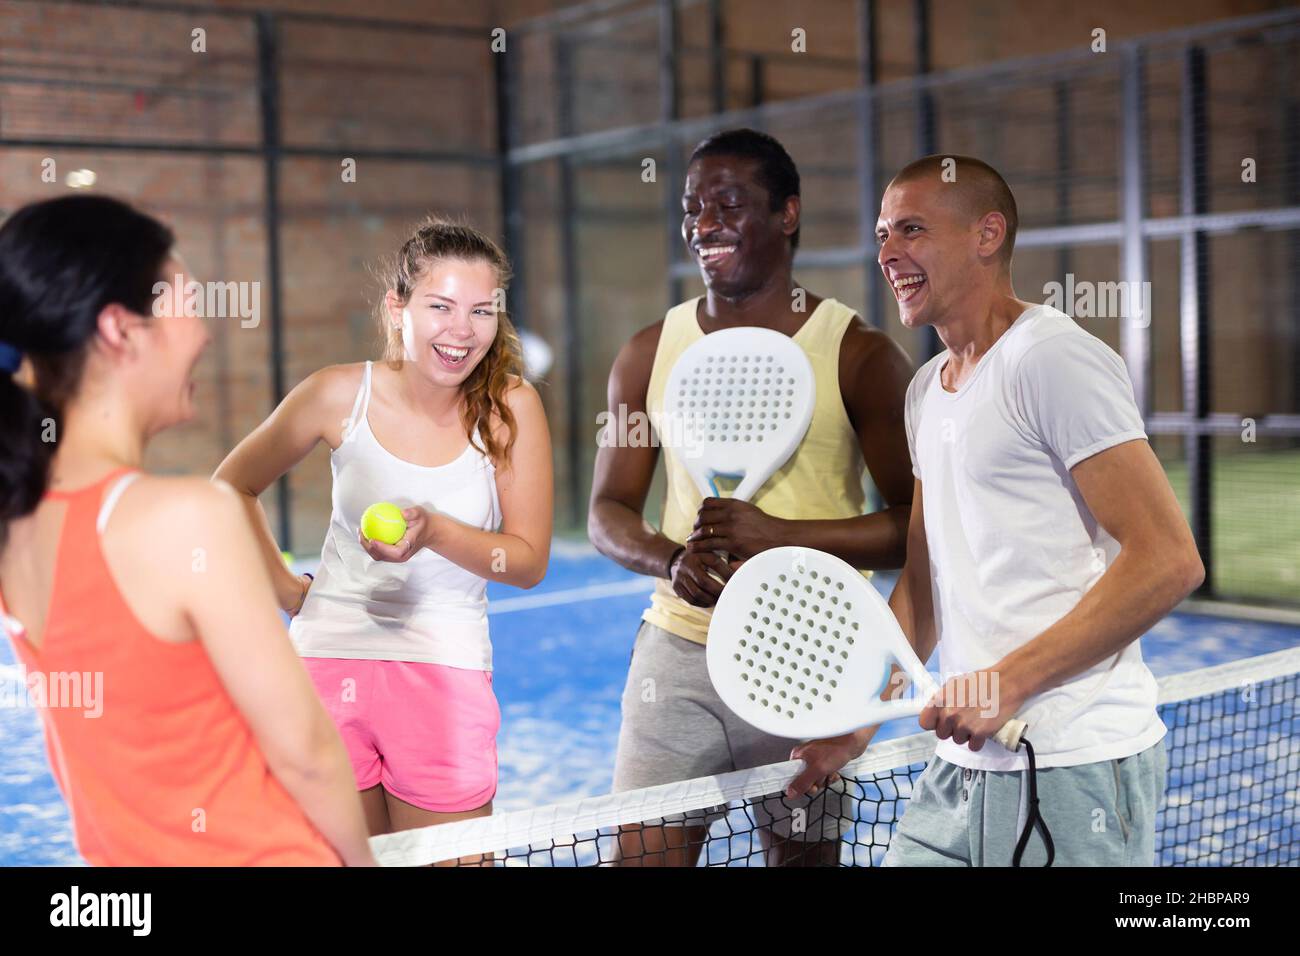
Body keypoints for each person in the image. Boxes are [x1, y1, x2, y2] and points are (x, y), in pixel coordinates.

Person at [0, 195, 372, 866]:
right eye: (187, 302)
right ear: (120, 329)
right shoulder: (188, 518)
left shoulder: (15, 522)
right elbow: (307, 753)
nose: (203, 333)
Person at [588, 128, 915, 866]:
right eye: (692, 208)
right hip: (679, 655)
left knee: (802, 863)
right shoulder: (646, 354)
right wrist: (670, 558)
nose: (704, 224)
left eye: (728, 204)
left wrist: (783, 536)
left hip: (811, 655)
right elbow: (606, 512)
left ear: (787, 215)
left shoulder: (859, 354)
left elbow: (913, 525)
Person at [876, 155, 1203, 866]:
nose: (888, 254)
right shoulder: (926, 390)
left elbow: (1169, 560)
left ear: (987, 235)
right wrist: (855, 716)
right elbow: (927, 582)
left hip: (1072, 766)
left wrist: (1009, 684)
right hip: (959, 769)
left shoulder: (1053, 360)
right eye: (882, 236)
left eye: (911, 230)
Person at [213, 218, 552, 860]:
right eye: (441, 306)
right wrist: (290, 590)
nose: (462, 330)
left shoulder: (512, 407)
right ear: (398, 307)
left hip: (442, 674)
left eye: (481, 310)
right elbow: (230, 486)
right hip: (323, 663)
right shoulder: (336, 392)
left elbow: (528, 561)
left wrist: (437, 531)